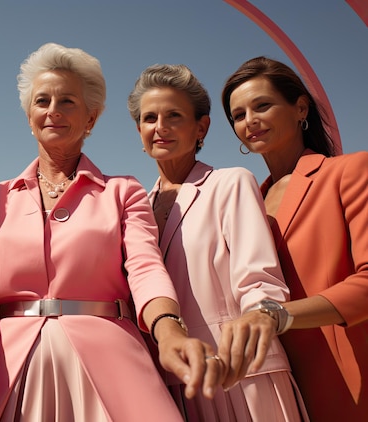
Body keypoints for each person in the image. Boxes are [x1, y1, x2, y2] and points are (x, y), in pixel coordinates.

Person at [0, 42, 224, 421]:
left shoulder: (124, 191)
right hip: (4, 365)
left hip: (113, 362)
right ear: (29, 116)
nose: (53, 111)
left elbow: (146, 269)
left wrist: (169, 330)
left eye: (68, 102)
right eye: (42, 102)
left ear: (91, 119)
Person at [126, 63, 308, 421]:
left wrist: (259, 320)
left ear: (201, 127)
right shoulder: (135, 208)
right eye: (149, 118)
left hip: (243, 373)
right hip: (167, 382)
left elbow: (260, 281)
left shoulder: (231, 183)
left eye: (173, 115)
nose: (159, 128)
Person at [220, 56, 368, 421]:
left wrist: (276, 315)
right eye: (238, 115)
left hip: (347, 373)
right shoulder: (246, 200)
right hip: (276, 383)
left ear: (300, 107)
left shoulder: (349, 172)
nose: (249, 121)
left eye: (262, 105)